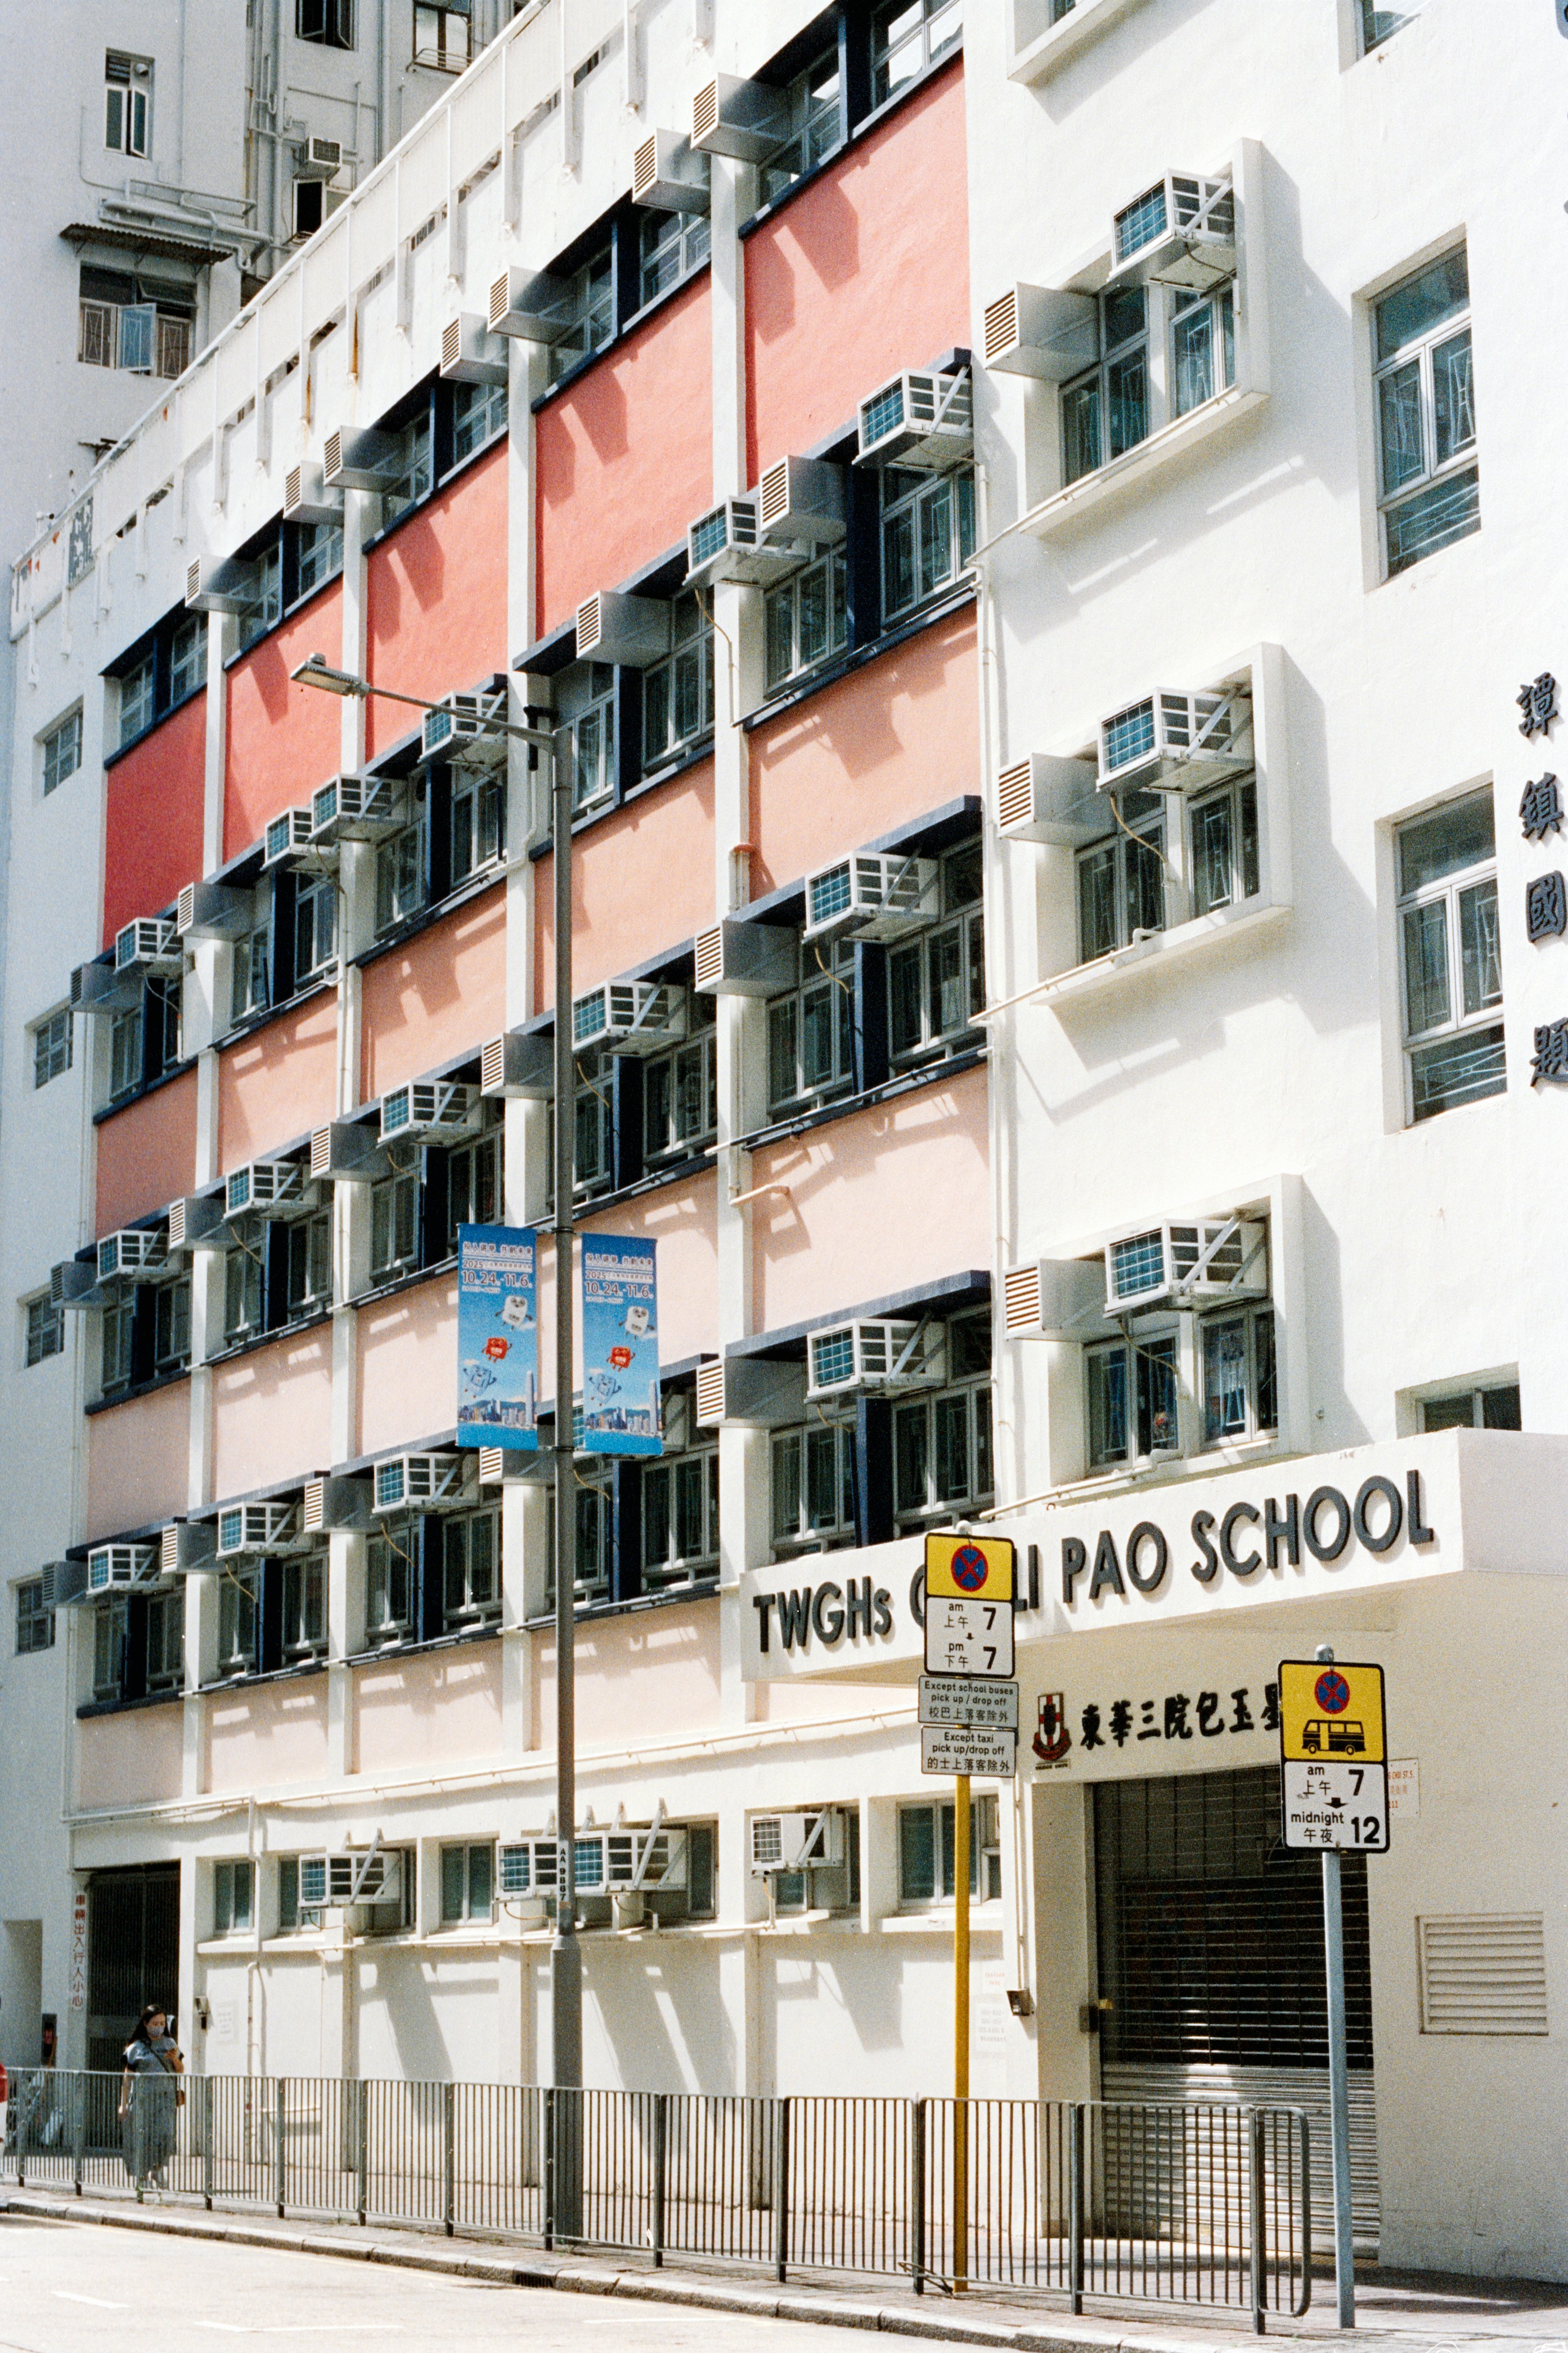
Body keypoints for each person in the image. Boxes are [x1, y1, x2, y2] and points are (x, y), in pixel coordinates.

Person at [118, 2004, 183, 2198]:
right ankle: (141, 2177)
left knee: (165, 2136)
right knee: (142, 2138)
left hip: (165, 2100)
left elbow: (180, 2069)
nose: (159, 2027)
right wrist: (123, 2104)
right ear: (146, 2024)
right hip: (142, 2100)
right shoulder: (135, 2048)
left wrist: (175, 2061)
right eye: (155, 2023)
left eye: (163, 2023)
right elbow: (127, 2077)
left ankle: (157, 2169)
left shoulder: (171, 2044)